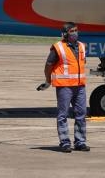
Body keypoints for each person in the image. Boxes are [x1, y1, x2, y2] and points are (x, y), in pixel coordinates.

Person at [40, 22, 89, 153]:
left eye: (76, 30)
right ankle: (65, 142)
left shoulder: (82, 46)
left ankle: (80, 142)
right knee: (63, 115)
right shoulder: (58, 47)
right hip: (64, 87)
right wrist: (48, 80)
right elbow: (48, 65)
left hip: (80, 86)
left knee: (81, 114)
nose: (75, 33)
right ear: (66, 33)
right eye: (72, 31)